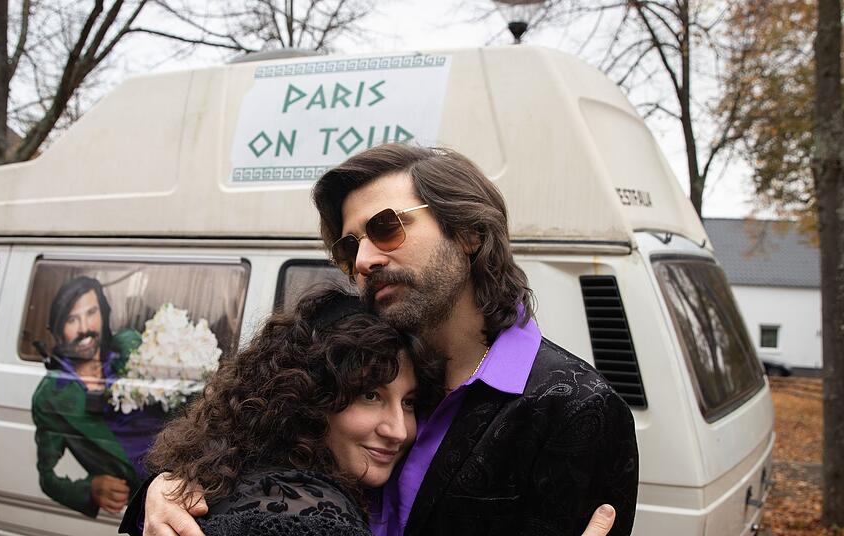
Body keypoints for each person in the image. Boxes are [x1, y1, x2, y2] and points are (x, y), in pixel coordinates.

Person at [137, 144, 639, 535]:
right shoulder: (369, 364)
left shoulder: (572, 407)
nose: (363, 261)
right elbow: (245, 437)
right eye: (349, 246)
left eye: (385, 228)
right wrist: (162, 493)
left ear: (469, 233)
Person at [121, 286, 440, 535]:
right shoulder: (305, 515)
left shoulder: (229, 471)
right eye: (370, 396)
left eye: (408, 402)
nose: (399, 430)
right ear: (308, 396)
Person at [31, 276, 151, 517]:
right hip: (141, 507)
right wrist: (91, 489)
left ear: (103, 314)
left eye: (91, 313)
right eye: (72, 319)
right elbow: (47, 477)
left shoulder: (131, 347)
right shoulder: (51, 396)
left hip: (182, 478)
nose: (84, 328)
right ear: (58, 329)